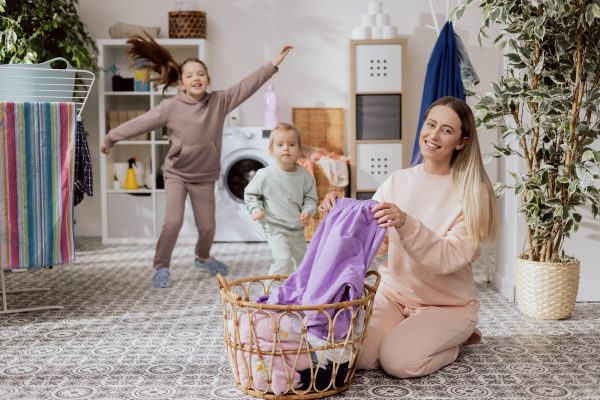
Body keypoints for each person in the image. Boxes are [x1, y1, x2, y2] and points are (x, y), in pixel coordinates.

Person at [319, 96, 497, 378]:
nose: (433, 135)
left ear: (461, 142)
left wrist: (405, 223)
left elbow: (447, 259)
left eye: (447, 130)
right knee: (357, 356)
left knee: (398, 362)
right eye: (431, 124)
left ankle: (456, 341)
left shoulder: (473, 193)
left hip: (447, 306)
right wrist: (337, 212)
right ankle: (412, 332)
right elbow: (372, 242)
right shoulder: (397, 181)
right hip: (395, 295)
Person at [101, 33, 293, 288]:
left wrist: (274, 64)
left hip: (205, 175)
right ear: (181, 83)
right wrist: (111, 137)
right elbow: (141, 122)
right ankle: (161, 265)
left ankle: (202, 257)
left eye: (200, 74)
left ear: (208, 79)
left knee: (208, 227)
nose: (196, 78)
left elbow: (249, 85)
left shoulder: (220, 101)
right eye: (190, 75)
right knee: (173, 221)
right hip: (177, 174)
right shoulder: (170, 107)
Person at [244, 122, 318, 278]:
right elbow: (251, 194)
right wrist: (256, 208)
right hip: (275, 227)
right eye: (280, 145)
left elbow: (311, 199)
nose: (286, 148)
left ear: (299, 150)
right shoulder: (265, 175)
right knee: (283, 261)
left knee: (304, 264)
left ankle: (299, 292)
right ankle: (270, 294)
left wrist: (307, 211)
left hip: (296, 228)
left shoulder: (305, 176)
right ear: (272, 150)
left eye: (291, 144)